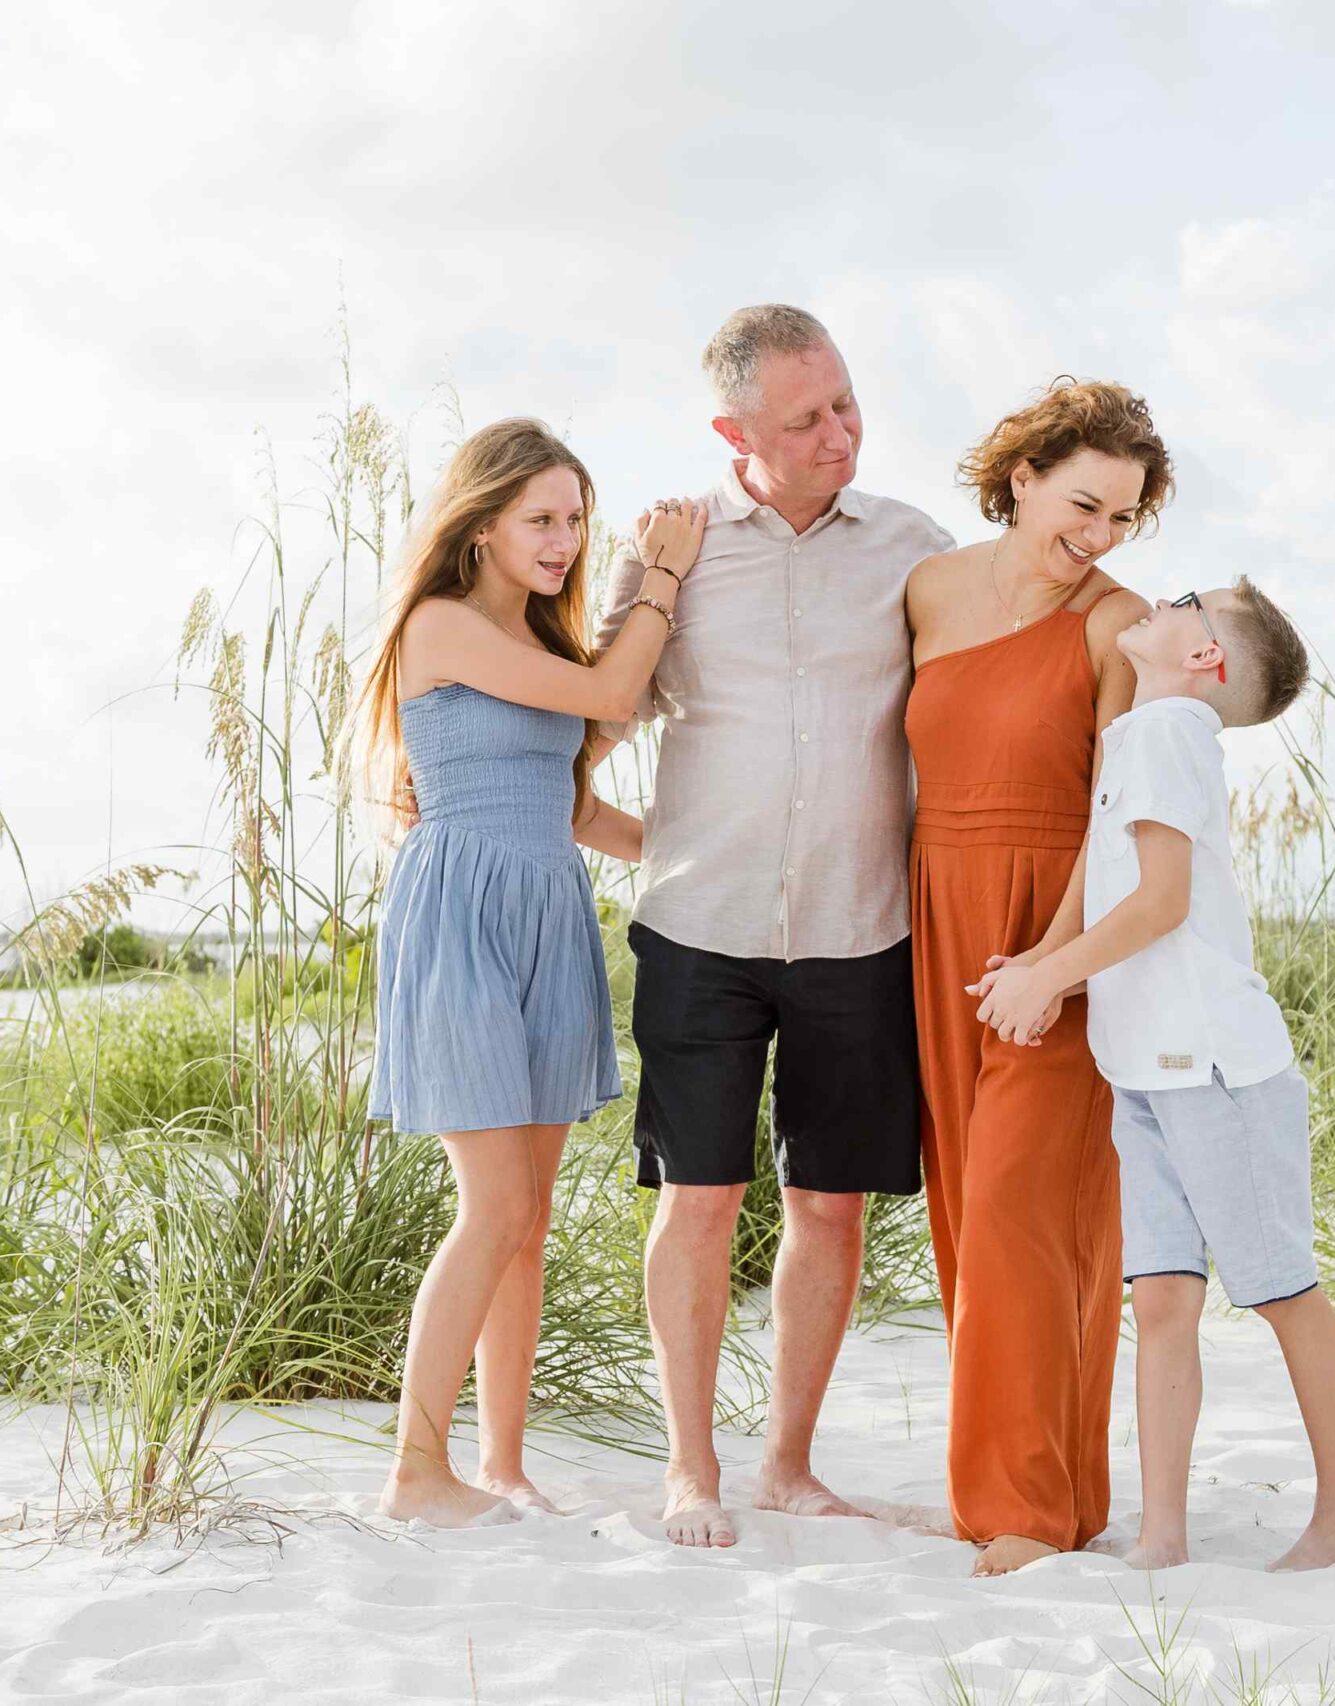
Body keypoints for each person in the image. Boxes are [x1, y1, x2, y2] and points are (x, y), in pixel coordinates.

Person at [591, 305, 954, 1548]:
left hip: (862, 928)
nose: (839, 432)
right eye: (804, 420)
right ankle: (691, 1467)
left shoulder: (915, 547)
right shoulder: (671, 551)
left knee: (832, 1205)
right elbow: (591, 724)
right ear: (731, 431)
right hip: (701, 927)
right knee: (698, 1198)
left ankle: (789, 1462)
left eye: (846, 402)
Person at [969, 580, 1335, 1572]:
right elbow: (1118, 886)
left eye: (1188, 601)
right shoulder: (1142, 733)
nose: (1162, 596)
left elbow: (1160, 903)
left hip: (1214, 1069)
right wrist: (1037, 964)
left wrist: (1048, 976)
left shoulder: (1165, 737)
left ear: (1209, 661)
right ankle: (1161, 1536)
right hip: (1143, 1069)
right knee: (1160, 1301)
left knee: (1282, 1288)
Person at [355, 417, 702, 1528]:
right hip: (461, 912)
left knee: (531, 1215)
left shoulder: (547, 654)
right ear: (484, 522)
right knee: (492, 1202)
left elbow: (581, 805)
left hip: (548, 908)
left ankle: (499, 1464)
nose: (562, 540)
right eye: (540, 520)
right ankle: (415, 1469)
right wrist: (660, 579)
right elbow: (614, 700)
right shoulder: (439, 625)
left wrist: (708, 852)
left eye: (574, 521)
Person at [901, 378, 1167, 1575]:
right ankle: (1055, 1490)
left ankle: (1019, 1512)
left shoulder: (1122, 625)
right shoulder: (928, 590)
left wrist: (1055, 965)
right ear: (1020, 476)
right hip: (938, 917)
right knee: (971, 1210)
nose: (1099, 537)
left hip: (1053, 927)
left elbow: (1114, 816)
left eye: (1121, 516)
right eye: (1082, 504)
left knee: (1026, 1210)